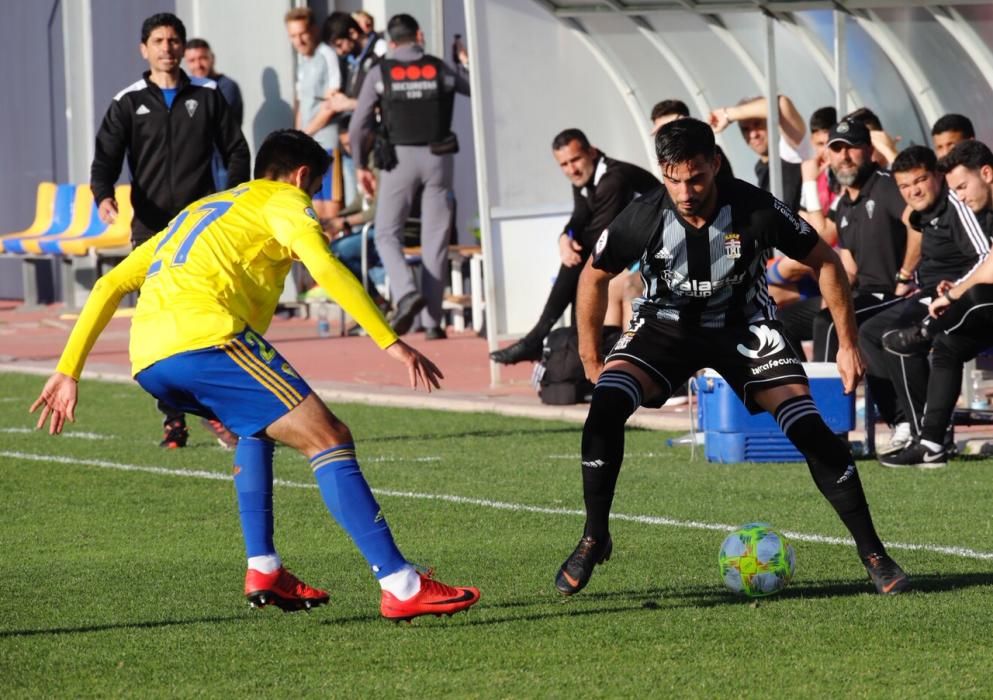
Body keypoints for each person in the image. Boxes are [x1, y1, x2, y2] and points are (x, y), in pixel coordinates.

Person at [29, 129, 481, 621]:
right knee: (329, 437)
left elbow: (111, 282)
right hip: (208, 340)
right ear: (303, 176)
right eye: (315, 190)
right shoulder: (285, 200)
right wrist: (390, 342)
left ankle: (264, 567)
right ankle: (401, 582)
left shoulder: (203, 210)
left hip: (150, 359)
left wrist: (68, 369)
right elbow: (325, 268)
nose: (311, 202)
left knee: (254, 427)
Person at [555, 117, 909, 597]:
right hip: (664, 326)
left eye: (696, 177)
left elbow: (824, 262)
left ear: (716, 164)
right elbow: (593, 276)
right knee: (604, 409)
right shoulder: (643, 216)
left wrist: (847, 345)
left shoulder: (755, 208)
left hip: (745, 328)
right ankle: (594, 537)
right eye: (673, 179)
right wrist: (589, 353)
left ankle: (874, 554)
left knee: (809, 429)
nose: (685, 191)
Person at [90, 12, 250, 449]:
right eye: (158, 40)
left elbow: (237, 150)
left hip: (201, 229)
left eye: (174, 40)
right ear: (144, 49)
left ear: (183, 47)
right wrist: (103, 194)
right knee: (157, 324)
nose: (167, 47)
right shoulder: (128, 102)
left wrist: (230, 200)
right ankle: (173, 419)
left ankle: (216, 412)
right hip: (151, 229)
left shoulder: (210, 96)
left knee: (210, 316)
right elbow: (106, 157)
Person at [858, 145, 989, 462]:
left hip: (958, 294)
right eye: (904, 185)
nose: (913, 190)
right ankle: (910, 427)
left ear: (936, 178)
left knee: (903, 339)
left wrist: (953, 291)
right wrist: (907, 279)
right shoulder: (921, 214)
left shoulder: (956, 206)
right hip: (937, 291)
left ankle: (926, 437)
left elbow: (985, 257)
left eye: (920, 180)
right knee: (869, 332)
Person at [489, 129, 659, 365]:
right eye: (564, 164)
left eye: (575, 159)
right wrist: (564, 238)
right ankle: (561, 346)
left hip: (659, 249)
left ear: (592, 152)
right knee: (577, 259)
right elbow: (579, 219)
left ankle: (539, 339)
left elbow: (598, 235)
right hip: (632, 247)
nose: (572, 169)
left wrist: (571, 248)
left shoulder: (614, 179)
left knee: (581, 261)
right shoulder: (584, 177)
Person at [349, 13, 470, 339]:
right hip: (439, 159)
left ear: (390, 42)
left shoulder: (381, 70)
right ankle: (433, 324)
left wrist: (360, 164)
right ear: (419, 35)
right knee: (436, 242)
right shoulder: (440, 68)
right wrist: (465, 63)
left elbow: (359, 123)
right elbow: (476, 89)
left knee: (386, 233)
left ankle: (405, 293)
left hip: (398, 160)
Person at [285, 6, 343, 220]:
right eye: (293, 36)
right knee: (312, 205)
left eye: (302, 34)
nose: (298, 41)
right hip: (308, 143)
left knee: (330, 208)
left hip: (326, 141)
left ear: (314, 31)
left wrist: (305, 133)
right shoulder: (302, 61)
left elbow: (332, 103)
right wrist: (298, 136)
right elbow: (301, 103)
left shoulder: (327, 55)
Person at [709, 94, 812, 213]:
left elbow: (781, 105)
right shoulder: (760, 168)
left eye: (757, 124)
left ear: (772, 121)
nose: (753, 135)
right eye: (746, 129)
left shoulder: (792, 151)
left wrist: (728, 115)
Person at [183, 38, 244, 191]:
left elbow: (213, 124)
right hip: (197, 166)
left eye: (202, 58)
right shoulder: (187, 90)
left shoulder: (226, 87)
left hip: (222, 164)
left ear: (212, 58)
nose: (198, 65)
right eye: (192, 60)